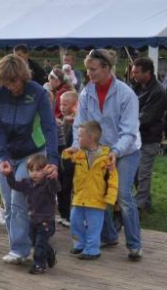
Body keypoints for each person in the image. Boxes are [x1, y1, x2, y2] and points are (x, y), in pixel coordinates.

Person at [73, 49, 142, 260]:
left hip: (127, 150)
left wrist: (115, 151)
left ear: (107, 68)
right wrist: (77, 147)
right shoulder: (86, 93)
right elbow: (80, 125)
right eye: (87, 69)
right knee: (97, 192)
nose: (89, 73)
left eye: (93, 69)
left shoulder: (126, 94)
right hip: (100, 151)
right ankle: (110, 236)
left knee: (122, 194)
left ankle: (134, 244)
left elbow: (129, 131)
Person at [0, 54, 58, 265]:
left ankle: (19, 249)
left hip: (31, 153)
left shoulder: (38, 93)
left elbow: (49, 127)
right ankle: (26, 244)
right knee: (8, 204)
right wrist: (3, 155)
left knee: (18, 199)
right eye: (5, 82)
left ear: (22, 76)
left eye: (13, 81)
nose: (10, 87)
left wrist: (53, 159)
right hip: (7, 153)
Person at [63, 120, 119, 260]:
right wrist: (66, 154)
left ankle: (92, 249)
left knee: (94, 227)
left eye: (80, 136)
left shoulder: (106, 159)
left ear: (91, 138)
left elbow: (112, 179)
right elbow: (67, 169)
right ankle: (80, 244)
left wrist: (110, 197)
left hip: (96, 199)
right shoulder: (78, 155)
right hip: (79, 197)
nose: (77, 139)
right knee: (74, 221)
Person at [1, 154, 60, 274]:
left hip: (46, 221)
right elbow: (14, 185)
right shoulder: (27, 183)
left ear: (45, 170)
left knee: (39, 244)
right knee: (34, 241)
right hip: (33, 219)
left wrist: (52, 178)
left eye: (38, 170)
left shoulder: (47, 184)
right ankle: (49, 252)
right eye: (31, 170)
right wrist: (9, 175)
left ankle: (39, 265)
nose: (34, 173)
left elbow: (56, 188)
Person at [131, 57, 167, 214]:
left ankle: (138, 207)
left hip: (149, 137)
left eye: (136, 72)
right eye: (133, 72)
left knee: (143, 173)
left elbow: (147, 117)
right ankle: (146, 201)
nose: (133, 75)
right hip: (135, 136)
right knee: (135, 172)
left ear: (148, 73)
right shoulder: (136, 86)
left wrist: (127, 124)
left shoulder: (158, 92)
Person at [56, 91, 79, 227]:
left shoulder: (78, 121)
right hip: (62, 160)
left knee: (71, 188)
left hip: (74, 161)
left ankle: (72, 216)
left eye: (65, 104)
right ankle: (64, 214)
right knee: (62, 187)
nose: (62, 107)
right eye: (61, 104)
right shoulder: (62, 120)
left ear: (75, 105)